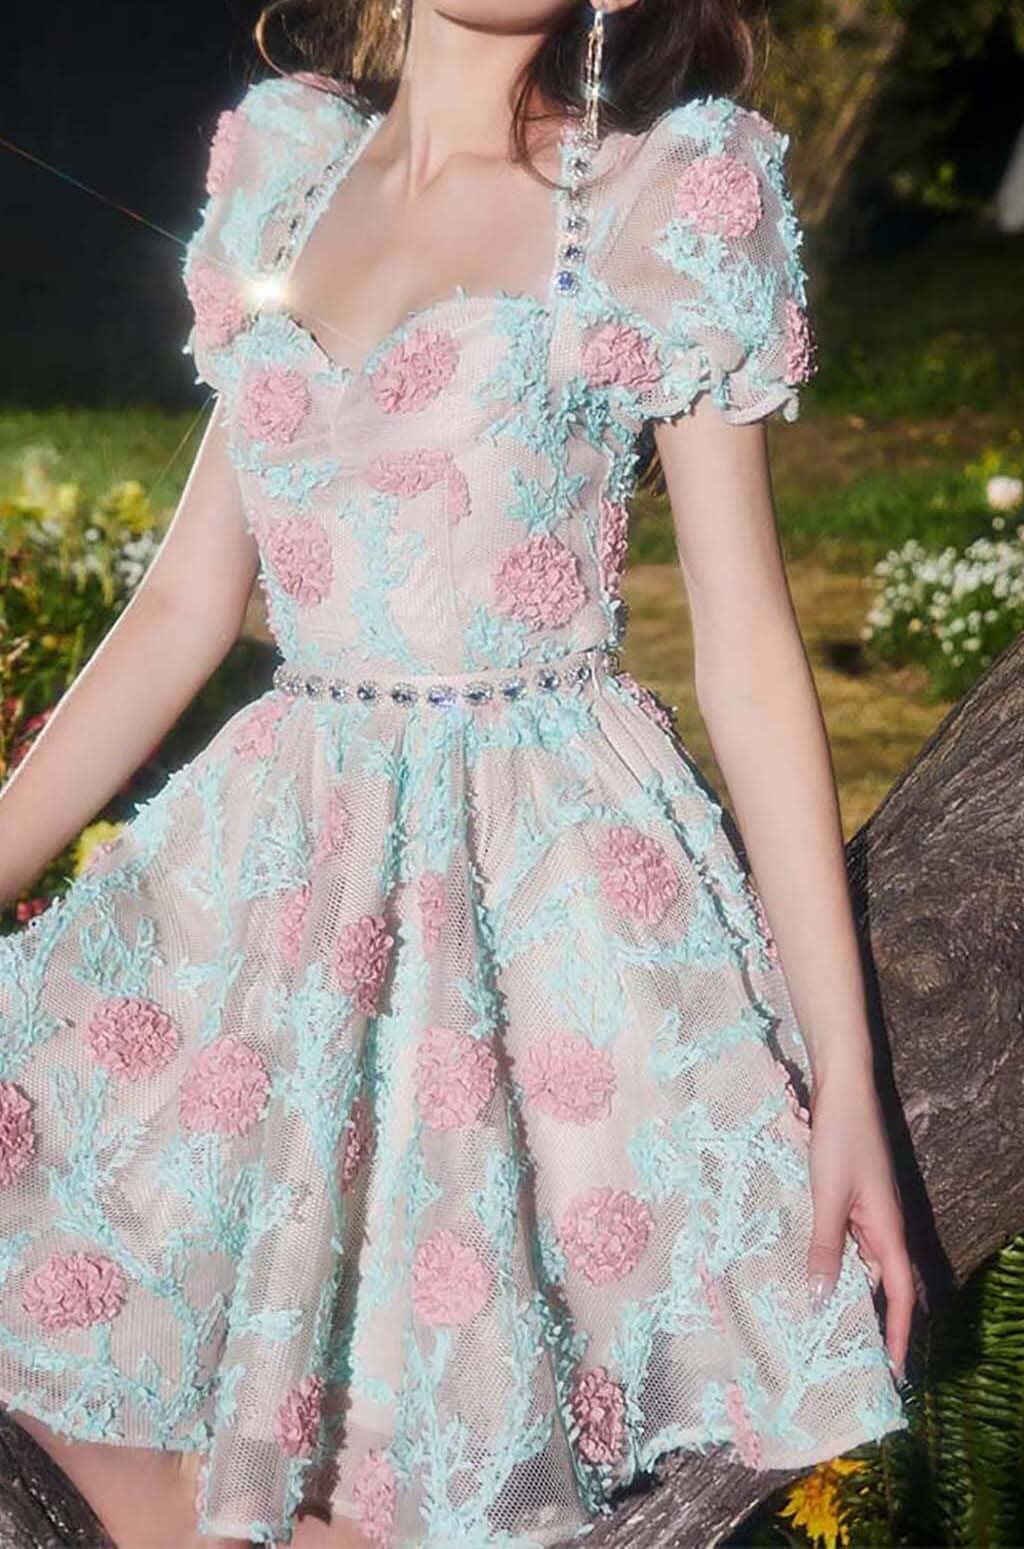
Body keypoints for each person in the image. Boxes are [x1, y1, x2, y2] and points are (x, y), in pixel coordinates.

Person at [0, 1, 916, 1545]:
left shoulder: (659, 197)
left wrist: (846, 1076)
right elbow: (182, 607)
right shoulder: (292, 174)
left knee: (408, 1460)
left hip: (523, 903)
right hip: (282, 871)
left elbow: (749, 648)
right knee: (123, 1411)